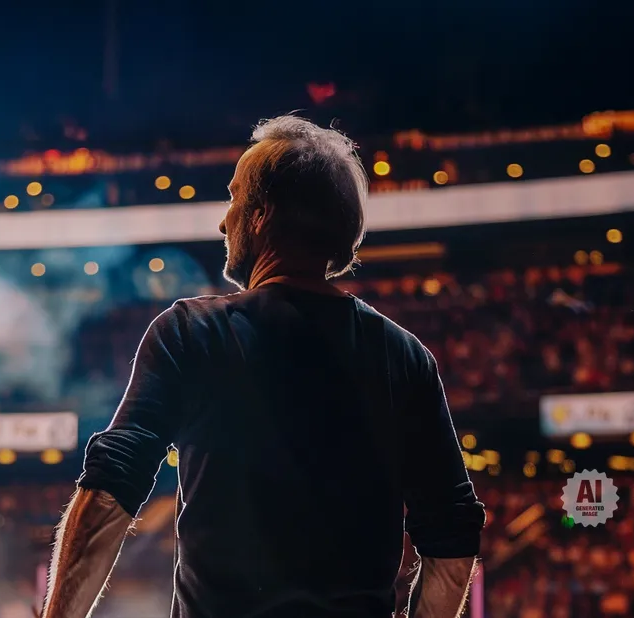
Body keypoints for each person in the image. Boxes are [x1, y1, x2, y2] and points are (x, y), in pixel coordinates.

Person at [40, 116, 485, 618]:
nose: (223, 221)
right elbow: (452, 534)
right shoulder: (405, 358)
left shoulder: (192, 331)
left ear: (261, 215)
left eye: (234, 199)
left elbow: (111, 486)